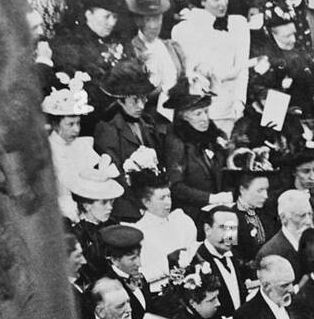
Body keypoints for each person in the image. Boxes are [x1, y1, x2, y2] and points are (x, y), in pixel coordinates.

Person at [171, 0, 252, 137]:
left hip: (231, 109)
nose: (223, 3)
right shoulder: (184, 29)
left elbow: (243, 69)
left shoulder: (239, 25)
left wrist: (239, 102)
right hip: (201, 112)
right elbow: (189, 73)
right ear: (202, 1)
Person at [93, 61, 164, 222]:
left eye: (143, 99)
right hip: (127, 208)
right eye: (134, 100)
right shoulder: (108, 128)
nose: (141, 106)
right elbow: (114, 173)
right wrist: (142, 203)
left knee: (229, 232)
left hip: (151, 203)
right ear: (120, 100)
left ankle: (230, 244)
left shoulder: (145, 122)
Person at [161, 78, 229, 212]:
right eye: (198, 114)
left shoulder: (211, 137)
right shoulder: (176, 142)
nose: (204, 118)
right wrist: (210, 198)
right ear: (183, 116)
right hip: (191, 213)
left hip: (216, 208)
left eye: (206, 112)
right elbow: (175, 186)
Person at [44, 73, 101, 222]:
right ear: (56, 125)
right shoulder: (49, 150)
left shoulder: (82, 145)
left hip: (87, 207)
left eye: (78, 123)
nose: (76, 129)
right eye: (70, 124)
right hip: (61, 212)